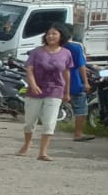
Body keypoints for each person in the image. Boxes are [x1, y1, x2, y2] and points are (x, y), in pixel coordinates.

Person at [18, 22, 73, 162]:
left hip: (55, 90)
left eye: (54, 33)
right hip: (35, 91)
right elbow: (29, 69)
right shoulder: (37, 51)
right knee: (30, 122)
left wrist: (67, 92)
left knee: (49, 122)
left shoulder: (66, 53)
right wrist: (33, 84)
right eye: (48, 34)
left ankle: (43, 152)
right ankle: (27, 143)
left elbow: (66, 73)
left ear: (61, 36)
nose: (50, 36)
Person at [64, 29, 91, 141]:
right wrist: (86, 82)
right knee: (81, 109)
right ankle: (78, 134)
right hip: (75, 82)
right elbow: (81, 66)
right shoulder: (76, 47)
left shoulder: (54, 47)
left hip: (57, 83)